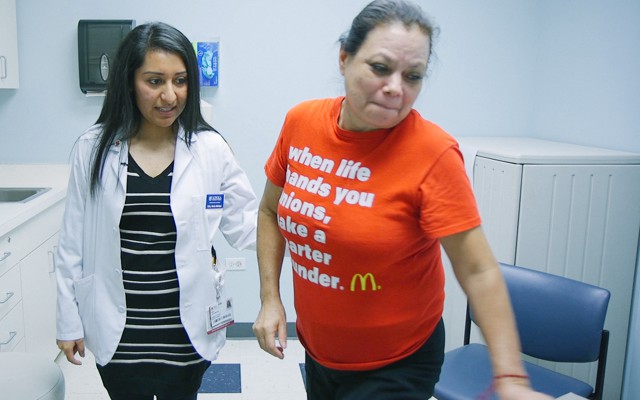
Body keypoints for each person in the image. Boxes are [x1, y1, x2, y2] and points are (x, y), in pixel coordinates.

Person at [252, 1, 553, 399]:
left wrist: (510, 379)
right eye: (380, 68)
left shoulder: (433, 154)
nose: (396, 88)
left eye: (413, 76)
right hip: (321, 350)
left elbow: (479, 271)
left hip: (398, 361)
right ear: (344, 58)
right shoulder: (301, 123)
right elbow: (270, 210)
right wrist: (270, 299)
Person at [55, 22, 258, 400]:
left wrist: (313, 231)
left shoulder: (210, 149)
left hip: (185, 330)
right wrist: (68, 321)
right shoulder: (93, 148)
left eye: (180, 81)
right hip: (120, 333)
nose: (169, 95)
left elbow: (247, 226)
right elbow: (72, 245)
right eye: (154, 81)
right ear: (128, 82)